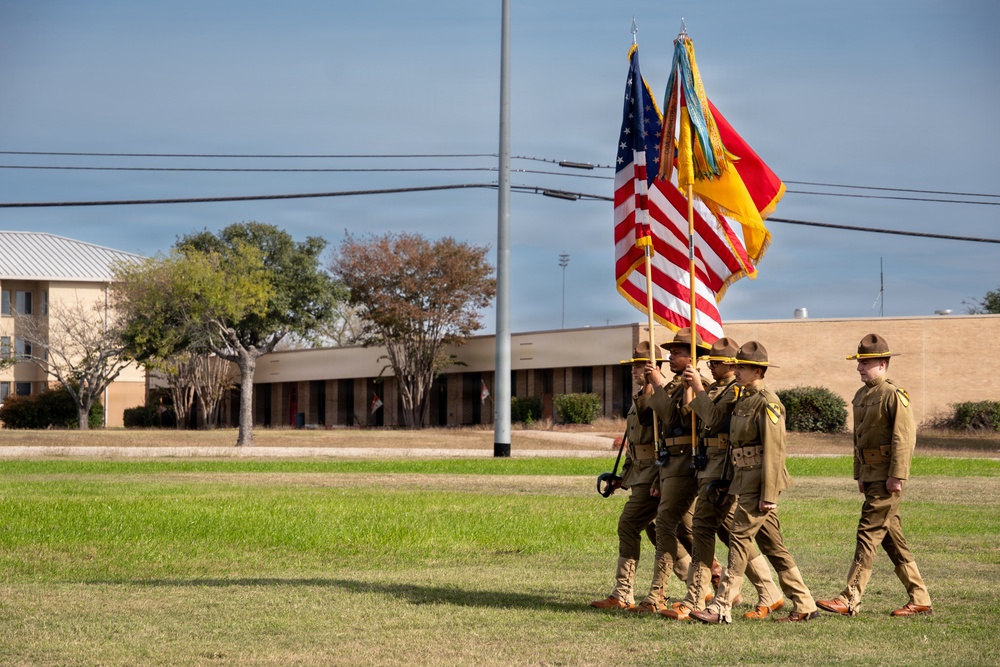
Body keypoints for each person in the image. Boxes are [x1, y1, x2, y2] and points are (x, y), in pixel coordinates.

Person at [690, 341, 819, 624]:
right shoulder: (743, 399)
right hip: (742, 479)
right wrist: (727, 480)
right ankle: (805, 603)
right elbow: (734, 447)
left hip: (761, 483)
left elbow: (775, 451)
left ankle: (721, 605)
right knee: (773, 546)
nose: (736, 370)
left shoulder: (767, 402)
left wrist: (770, 493)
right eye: (736, 366)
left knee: (738, 537)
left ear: (759, 371)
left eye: (743, 367)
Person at [661, 337, 784, 621]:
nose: (711, 366)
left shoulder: (737, 391)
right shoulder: (721, 388)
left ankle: (705, 598)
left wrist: (696, 387)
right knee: (728, 533)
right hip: (714, 467)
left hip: (727, 469)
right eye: (710, 362)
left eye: (715, 363)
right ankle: (769, 593)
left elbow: (714, 420)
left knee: (728, 533)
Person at [816, 334, 932, 617]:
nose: (859, 368)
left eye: (865, 363)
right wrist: (860, 474)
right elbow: (859, 439)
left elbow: (904, 439)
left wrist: (897, 476)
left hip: (887, 477)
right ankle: (920, 598)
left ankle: (850, 597)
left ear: (883, 363)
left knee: (867, 533)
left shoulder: (894, 394)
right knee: (893, 539)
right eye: (859, 363)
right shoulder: (862, 395)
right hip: (871, 475)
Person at [631, 327, 713, 614]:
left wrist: (657, 381)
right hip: (669, 462)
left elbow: (679, 419)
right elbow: (650, 420)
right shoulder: (675, 385)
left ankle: (668, 594)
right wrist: (651, 384)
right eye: (671, 351)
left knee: (671, 525)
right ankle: (704, 584)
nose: (670, 356)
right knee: (680, 527)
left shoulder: (697, 383)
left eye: (677, 352)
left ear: (694, 357)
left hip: (686, 463)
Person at [590, 341, 664, 610]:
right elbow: (635, 445)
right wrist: (623, 476)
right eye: (632, 366)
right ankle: (710, 579)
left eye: (639, 366)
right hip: (640, 475)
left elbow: (662, 441)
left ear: (652, 367)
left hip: (656, 475)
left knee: (630, 524)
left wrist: (658, 478)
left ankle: (623, 594)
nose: (634, 371)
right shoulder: (639, 399)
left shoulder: (659, 397)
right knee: (667, 534)